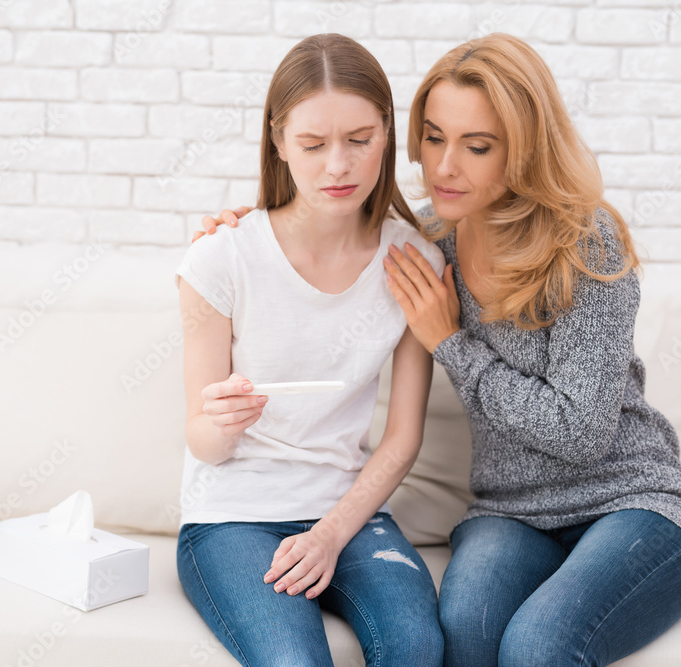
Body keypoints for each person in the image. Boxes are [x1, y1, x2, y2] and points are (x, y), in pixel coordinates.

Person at [193, 32, 681, 667]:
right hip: (509, 513)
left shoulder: (585, 242)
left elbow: (581, 433)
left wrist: (451, 343)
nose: (443, 167)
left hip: (630, 500)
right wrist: (246, 227)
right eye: (435, 138)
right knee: (462, 635)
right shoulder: (429, 240)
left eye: (478, 147)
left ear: (524, 150)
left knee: (538, 646)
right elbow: (331, 219)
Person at [174, 33, 445, 666]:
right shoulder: (221, 258)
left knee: (416, 645)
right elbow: (201, 441)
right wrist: (222, 423)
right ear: (278, 141)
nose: (338, 166)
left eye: (360, 139)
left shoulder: (415, 262)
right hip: (232, 517)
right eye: (313, 144)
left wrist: (330, 533)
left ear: (388, 133)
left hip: (351, 514)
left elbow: (403, 437)